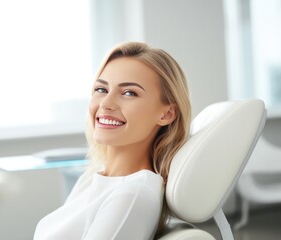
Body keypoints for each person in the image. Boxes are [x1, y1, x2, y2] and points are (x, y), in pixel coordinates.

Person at [33, 42, 191, 240]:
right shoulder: (92, 178)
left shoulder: (132, 195)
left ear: (167, 113)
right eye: (101, 89)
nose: (106, 104)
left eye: (129, 93)